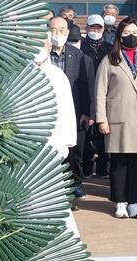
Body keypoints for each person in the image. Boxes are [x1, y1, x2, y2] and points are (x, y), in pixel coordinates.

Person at [95, 17, 137, 218]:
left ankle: (134, 201)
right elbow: (100, 91)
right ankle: (120, 201)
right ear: (119, 36)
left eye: (135, 33)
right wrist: (101, 119)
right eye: (126, 34)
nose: (131, 37)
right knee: (119, 164)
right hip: (118, 119)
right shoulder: (109, 60)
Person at [49, 17, 95, 206]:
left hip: (74, 114)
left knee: (74, 153)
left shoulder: (80, 57)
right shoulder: (42, 55)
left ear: (68, 33)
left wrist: (87, 112)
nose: (57, 34)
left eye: (61, 30)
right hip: (49, 113)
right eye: (53, 30)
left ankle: (73, 186)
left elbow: (87, 87)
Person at [33, 32, 77, 160]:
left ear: (49, 45)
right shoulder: (18, 73)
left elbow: (67, 108)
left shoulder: (58, 75)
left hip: (54, 136)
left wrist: (68, 139)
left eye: (42, 43)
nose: (38, 47)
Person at [81, 14, 113, 179]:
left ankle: (102, 168)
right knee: (85, 133)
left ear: (103, 29)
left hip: (104, 95)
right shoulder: (80, 47)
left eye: (98, 28)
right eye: (92, 27)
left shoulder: (109, 48)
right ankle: (86, 167)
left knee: (102, 134)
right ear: (86, 28)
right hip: (85, 93)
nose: (95, 30)